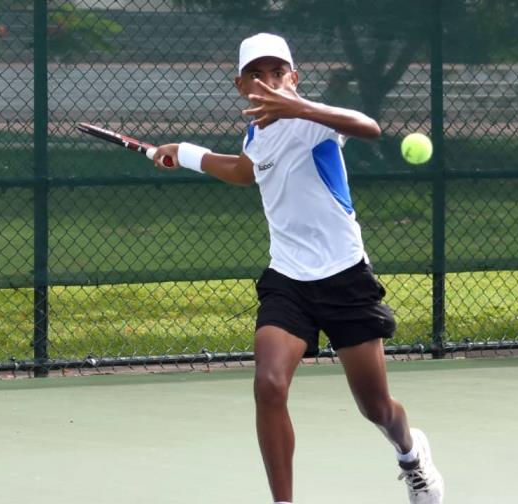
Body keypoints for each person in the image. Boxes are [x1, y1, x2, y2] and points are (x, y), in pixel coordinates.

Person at [151, 33, 444, 504]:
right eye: (256, 74)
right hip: (288, 280)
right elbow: (246, 171)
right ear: (241, 85)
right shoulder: (256, 134)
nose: (268, 81)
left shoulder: (314, 121)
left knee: (376, 408)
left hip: (345, 276)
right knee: (268, 385)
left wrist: (300, 107)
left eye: (277, 72)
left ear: (294, 77)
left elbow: (367, 126)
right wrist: (183, 151)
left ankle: (411, 456)